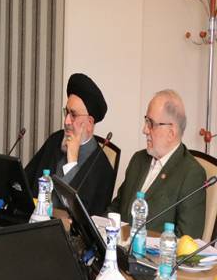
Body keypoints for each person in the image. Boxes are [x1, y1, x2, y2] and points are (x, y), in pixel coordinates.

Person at [108, 90, 206, 238]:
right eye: (146, 121)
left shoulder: (192, 174)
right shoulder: (138, 160)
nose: (144, 130)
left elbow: (187, 240)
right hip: (116, 247)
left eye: (151, 124)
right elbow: (116, 208)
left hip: (151, 253)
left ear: (171, 133)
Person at [25, 73, 113, 215]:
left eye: (73, 115)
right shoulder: (55, 139)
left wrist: (72, 163)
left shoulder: (102, 168)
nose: (66, 121)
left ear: (89, 123)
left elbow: (81, 216)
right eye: (66, 112)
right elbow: (26, 181)